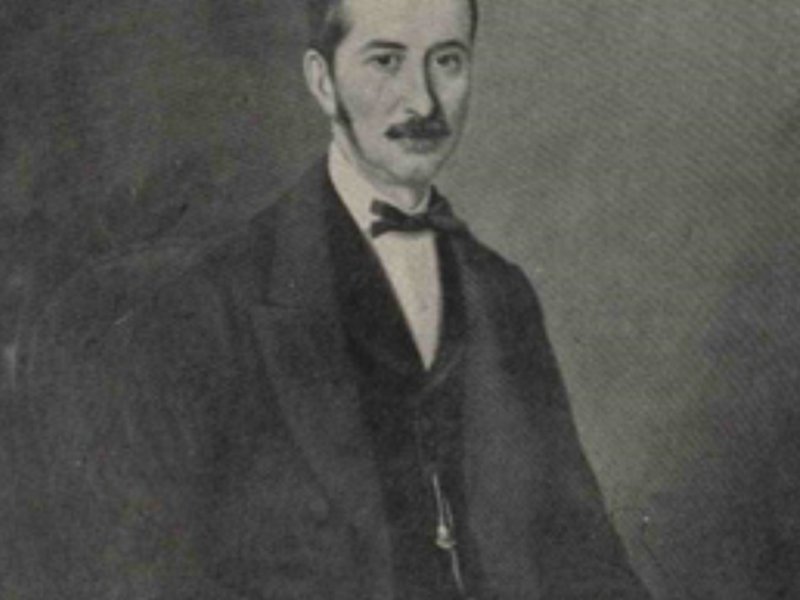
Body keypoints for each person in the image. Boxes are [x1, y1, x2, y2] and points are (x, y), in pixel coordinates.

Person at [17, 0, 652, 598]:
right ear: (323, 82)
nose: (423, 100)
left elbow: (585, 554)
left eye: (447, 60)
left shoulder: (502, 293)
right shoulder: (213, 304)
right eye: (386, 61)